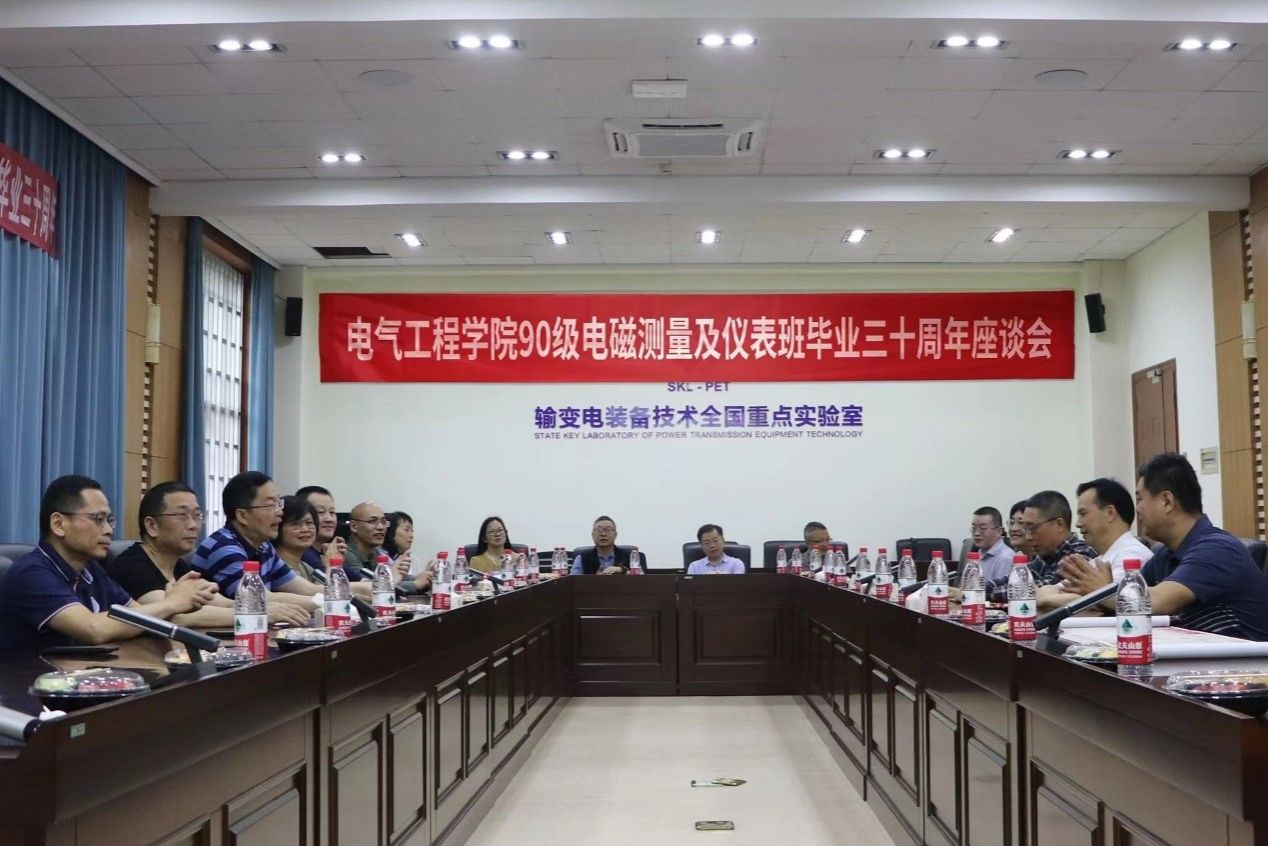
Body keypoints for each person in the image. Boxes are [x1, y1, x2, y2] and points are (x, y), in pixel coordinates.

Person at [1062, 453, 1268, 640]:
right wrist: (1103, 594)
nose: (1137, 509)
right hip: (1194, 662)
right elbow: (1133, 595)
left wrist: (1104, 591)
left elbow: (1155, 602)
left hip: (1244, 667)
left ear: (1167, 502)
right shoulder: (1165, 555)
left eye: (1140, 499)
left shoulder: (1218, 549)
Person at [0, 475, 215, 651]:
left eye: (109, 520)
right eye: (98, 519)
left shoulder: (91, 570)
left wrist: (170, 602)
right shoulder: (32, 573)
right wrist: (171, 604)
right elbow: (93, 629)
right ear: (59, 524)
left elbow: (139, 616)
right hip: (31, 685)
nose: (108, 530)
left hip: (82, 676)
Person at [107, 482, 310, 627]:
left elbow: (224, 603)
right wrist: (257, 613)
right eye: (182, 515)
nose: (193, 525)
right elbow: (174, 616)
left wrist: (272, 608)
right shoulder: (132, 565)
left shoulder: (180, 566)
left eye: (197, 515)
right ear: (152, 526)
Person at [191, 471, 322, 606]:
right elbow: (257, 598)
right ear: (243, 516)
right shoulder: (223, 546)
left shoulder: (264, 546)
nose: (280, 512)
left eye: (279, 503)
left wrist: (334, 592)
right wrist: (325, 602)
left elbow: (306, 589)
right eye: (271, 505)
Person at [1038, 478, 1154, 611]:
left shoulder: (1132, 555)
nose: (1078, 523)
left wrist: (1044, 600)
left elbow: (1111, 600)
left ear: (1110, 513)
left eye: (1083, 514)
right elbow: (1057, 589)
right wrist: (1040, 595)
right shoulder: (1100, 559)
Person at [1021, 490, 1097, 586]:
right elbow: (1014, 582)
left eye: (1032, 527)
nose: (1027, 537)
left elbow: (1046, 587)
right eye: (1025, 528)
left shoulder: (1082, 554)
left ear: (1059, 525)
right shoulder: (1044, 557)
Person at [296, 484, 345, 572]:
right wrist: (334, 565)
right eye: (320, 512)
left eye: (332, 512)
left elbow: (356, 577)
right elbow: (331, 579)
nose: (329, 519)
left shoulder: (325, 551)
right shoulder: (304, 553)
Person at [968, 506, 1013, 585]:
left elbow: (998, 590)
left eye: (983, 528)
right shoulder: (978, 553)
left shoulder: (1005, 558)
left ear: (999, 531)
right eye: (974, 528)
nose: (976, 533)